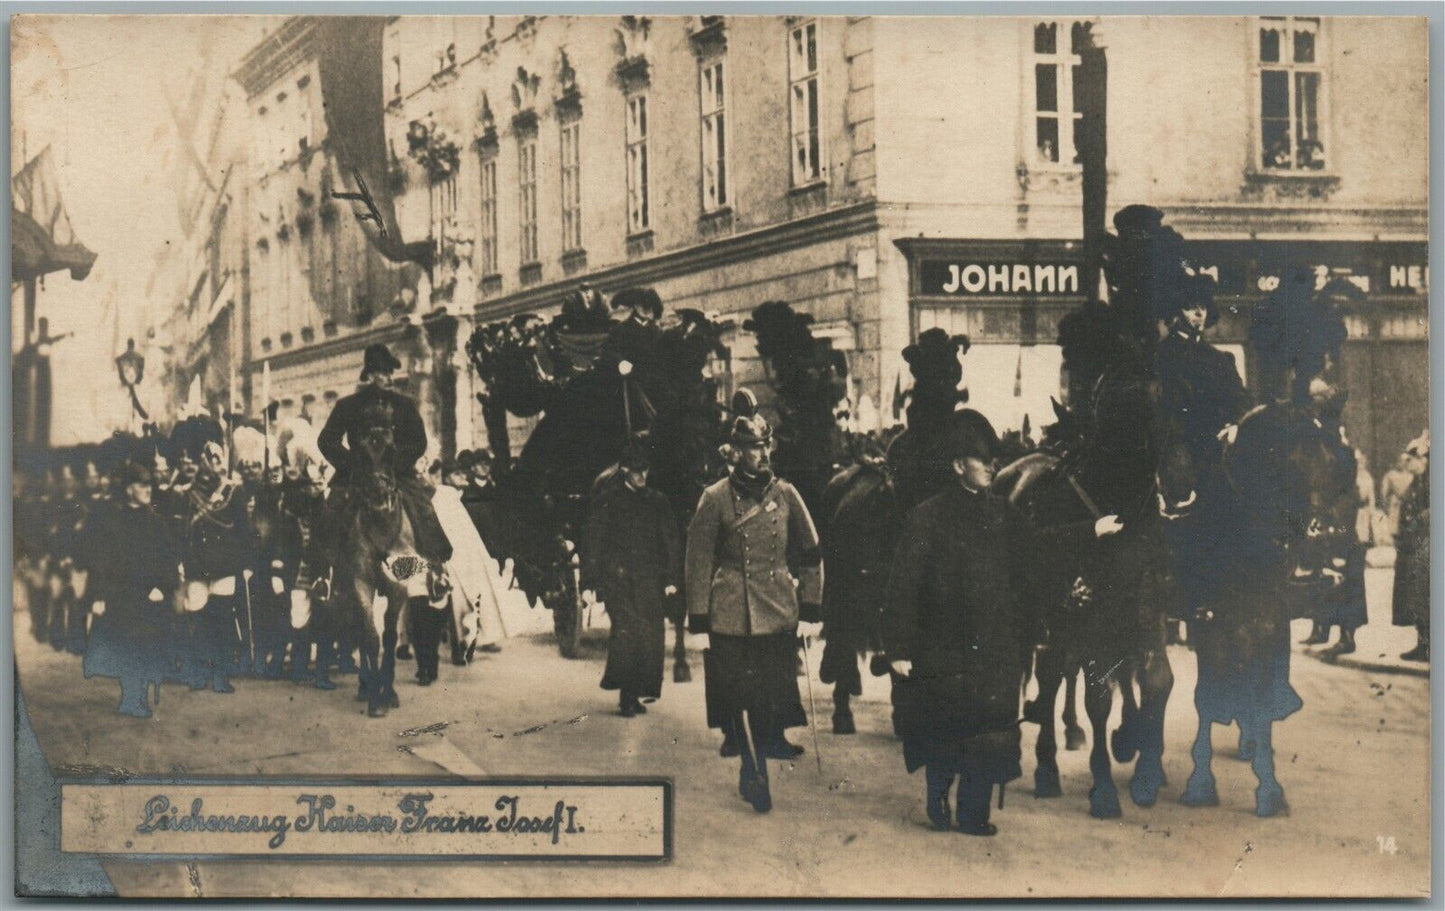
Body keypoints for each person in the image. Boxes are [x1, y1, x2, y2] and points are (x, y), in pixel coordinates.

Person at [881, 410, 1122, 836]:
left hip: (993, 646)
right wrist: (899, 649)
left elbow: (1040, 546)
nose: (993, 466)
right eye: (983, 460)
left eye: (993, 459)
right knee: (944, 728)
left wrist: (1092, 530)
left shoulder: (1003, 515)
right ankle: (939, 794)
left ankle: (974, 812)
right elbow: (903, 586)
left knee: (990, 729)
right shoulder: (926, 517)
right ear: (959, 466)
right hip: (942, 647)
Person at [686, 393, 824, 813]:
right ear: (734, 453)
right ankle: (753, 772)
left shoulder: (785, 493)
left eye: (764, 447)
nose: (760, 455)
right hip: (730, 613)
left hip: (778, 610)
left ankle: (759, 757)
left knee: (768, 698)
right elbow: (698, 559)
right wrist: (699, 618)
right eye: (751, 449)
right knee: (740, 698)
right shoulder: (714, 498)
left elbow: (812, 550)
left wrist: (811, 608)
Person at [315, 343, 453, 585]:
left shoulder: (405, 405)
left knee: (424, 507)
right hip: (356, 474)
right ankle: (322, 575)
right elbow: (326, 440)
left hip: (396, 473)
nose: (388, 378)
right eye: (381, 372)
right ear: (369, 375)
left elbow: (418, 441)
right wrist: (351, 463)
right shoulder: (347, 405)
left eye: (390, 372)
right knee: (331, 509)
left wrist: (395, 462)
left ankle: (436, 569)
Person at [583, 433, 683, 717]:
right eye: (637, 471)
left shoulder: (658, 502)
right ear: (625, 470)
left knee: (651, 636)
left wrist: (672, 580)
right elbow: (594, 540)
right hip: (619, 580)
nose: (642, 477)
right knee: (628, 633)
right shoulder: (609, 500)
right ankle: (626, 696)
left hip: (650, 581)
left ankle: (639, 691)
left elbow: (671, 542)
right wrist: (589, 582)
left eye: (645, 471)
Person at [83, 461, 180, 719]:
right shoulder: (113, 522)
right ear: (128, 489)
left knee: (147, 646)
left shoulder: (157, 522)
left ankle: (137, 697)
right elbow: (101, 562)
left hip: (150, 597)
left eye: (149, 484)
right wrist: (99, 596)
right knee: (127, 646)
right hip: (122, 597)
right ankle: (131, 696)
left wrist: (163, 587)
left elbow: (169, 560)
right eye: (142, 484)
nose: (148, 489)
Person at [1392, 435, 1430, 662]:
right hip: (1411, 547)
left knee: (1425, 595)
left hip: (1424, 547)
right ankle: (1422, 642)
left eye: (1411, 461)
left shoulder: (1430, 483)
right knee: (1415, 597)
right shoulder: (1416, 483)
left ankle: (1428, 645)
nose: (1408, 465)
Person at [1379, 452, 1416, 547]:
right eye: (1401, 461)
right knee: (1394, 528)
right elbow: (1383, 491)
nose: (1403, 463)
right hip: (1395, 504)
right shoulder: (1391, 475)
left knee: (1406, 526)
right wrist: (1385, 503)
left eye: (1406, 461)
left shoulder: (1412, 476)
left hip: (1407, 505)